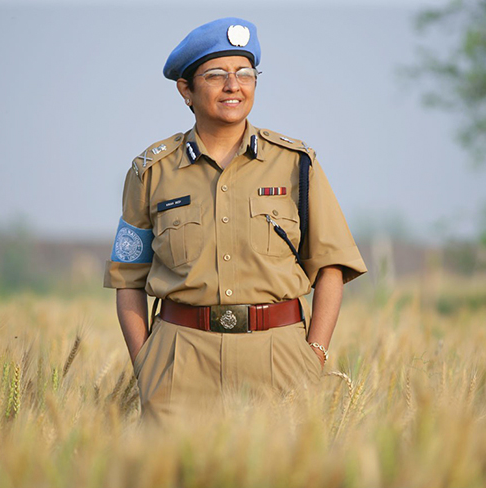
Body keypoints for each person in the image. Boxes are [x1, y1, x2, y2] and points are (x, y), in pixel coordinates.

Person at [103, 17, 367, 428]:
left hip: (279, 359)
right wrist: (147, 367)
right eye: (216, 75)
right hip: (179, 362)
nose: (234, 86)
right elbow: (127, 278)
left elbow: (331, 265)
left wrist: (313, 355)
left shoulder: (296, 164)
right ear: (186, 90)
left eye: (245, 74)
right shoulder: (150, 171)